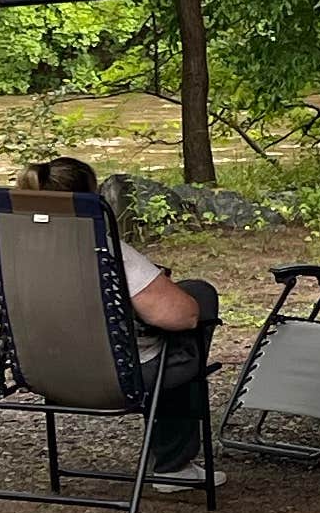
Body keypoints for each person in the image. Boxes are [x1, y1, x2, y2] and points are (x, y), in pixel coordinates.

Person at [12, 156, 216, 489]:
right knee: (197, 304)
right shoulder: (107, 253)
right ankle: (172, 464)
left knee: (180, 309)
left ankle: (173, 461)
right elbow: (181, 316)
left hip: (40, 372)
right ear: (91, 200)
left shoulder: (9, 255)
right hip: (113, 377)